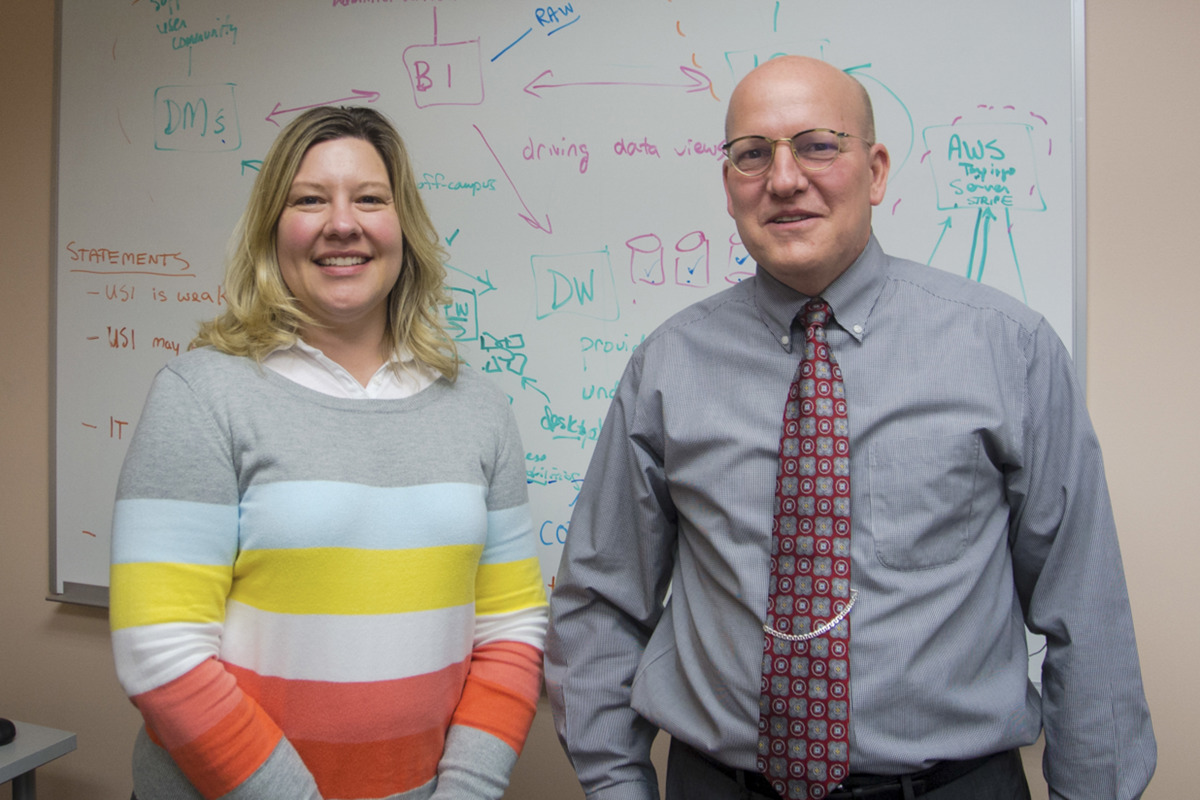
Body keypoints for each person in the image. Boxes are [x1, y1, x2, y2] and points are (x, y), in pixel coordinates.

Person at [544, 56, 1154, 800]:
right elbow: (601, 597)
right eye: (752, 153)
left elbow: (1085, 611)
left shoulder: (1008, 350)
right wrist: (617, 786)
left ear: (877, 170)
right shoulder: (666, 367)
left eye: (818, 145)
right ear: (730, 183)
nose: (785, 177)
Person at [110, 105, 548, 800]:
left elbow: (511, 630)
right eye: (310, 199)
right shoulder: (200, 394)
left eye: (369, 199)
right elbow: (160, 653)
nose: (342, 224)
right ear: (271, 230)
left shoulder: (480, 410)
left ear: (401, 224)